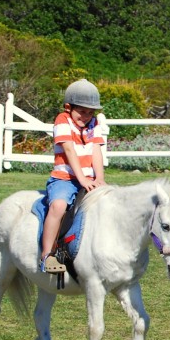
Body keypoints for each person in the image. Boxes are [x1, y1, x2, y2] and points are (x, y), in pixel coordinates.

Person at [40, 79, 106, 274]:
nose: (86, 116)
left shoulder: (94, 123)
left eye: (90, 112)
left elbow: (96, 151)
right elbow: (69, 149)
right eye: (81, 111)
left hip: (88, 180)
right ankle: (47, 255)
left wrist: (99, 178)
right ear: (69, 107)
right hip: (65, 179)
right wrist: (82, 179)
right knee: (58, 206)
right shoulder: (62, 120)